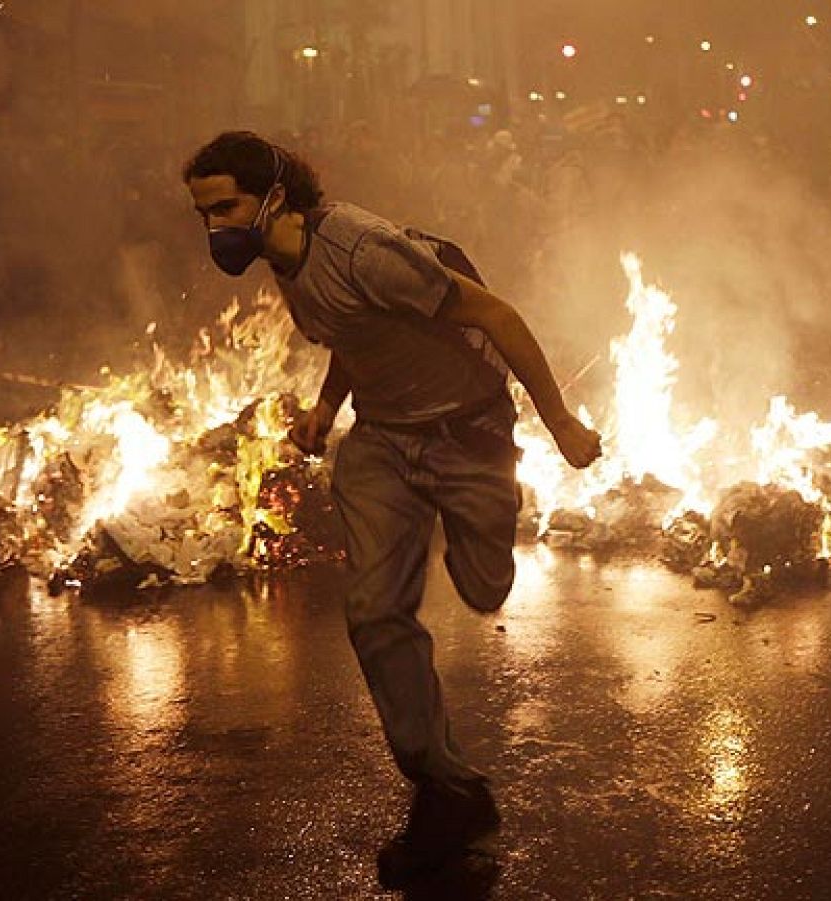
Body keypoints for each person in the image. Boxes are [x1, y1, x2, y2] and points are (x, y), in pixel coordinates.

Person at [184, 131, 601, 886]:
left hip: (466, 432)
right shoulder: (285, 261)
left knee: (484, 586)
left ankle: (480, 526)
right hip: (382, 441)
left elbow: (498, 318)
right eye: (204, 212)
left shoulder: (367, 250)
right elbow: (355, 330)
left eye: (226, 206)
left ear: (275, 194)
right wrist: (324, 408)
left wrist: (560, 422)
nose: (216, 226)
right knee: (374, 612)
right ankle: (448, 790)